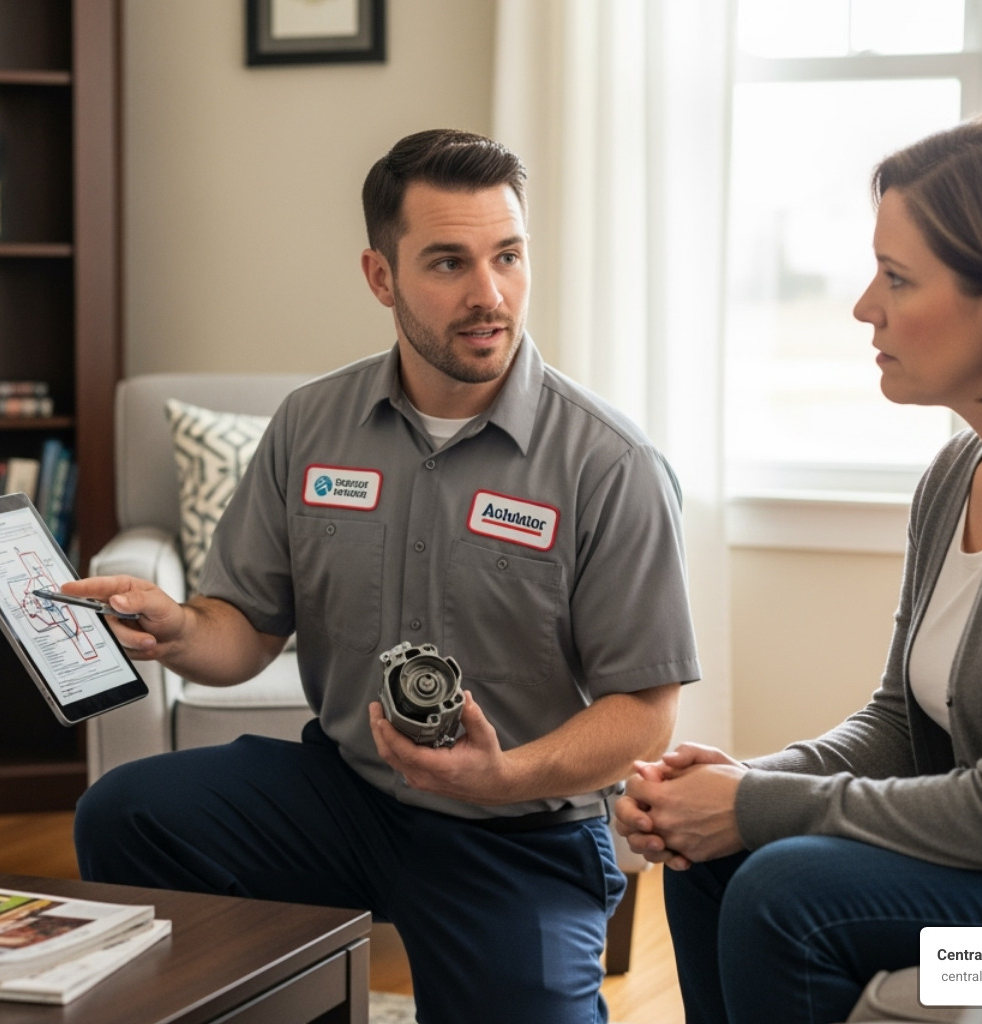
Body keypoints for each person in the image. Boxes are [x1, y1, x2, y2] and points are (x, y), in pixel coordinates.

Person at [70, 128, 700, 1023]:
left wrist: (503, 777)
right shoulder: (311, 425)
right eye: (448, 262)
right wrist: (177, 629)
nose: (489, 296)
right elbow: (243, 629)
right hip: (344, 797)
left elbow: (646, 709)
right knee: (125, 812)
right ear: (381, 277)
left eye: (509, 257)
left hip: (517, 832)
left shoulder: (610, 463)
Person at [614, 111, 982, 1024]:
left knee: (786, 894)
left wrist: (759, 803)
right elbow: (902, 722)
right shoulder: (958, 470)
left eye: (897, 278)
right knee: (719, 862)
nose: (865, 305)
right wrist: (727, 788)